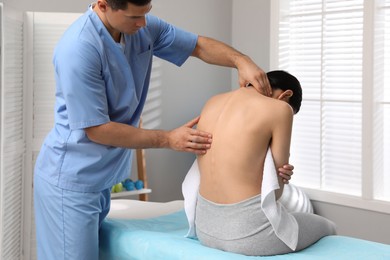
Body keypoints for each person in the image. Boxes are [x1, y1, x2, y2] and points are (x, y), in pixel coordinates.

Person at [33, 1, 296, 259]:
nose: (143, 23)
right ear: (103, 5)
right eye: (134, 17)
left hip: (101, 175)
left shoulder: (141, 27)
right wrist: (168, 139)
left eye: (146, 13)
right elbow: (98, 129)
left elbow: (198, 46)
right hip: (71, 176)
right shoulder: (78, 49)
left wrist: (241, 60)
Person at [182, 70, 336, 256]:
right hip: (250, 236)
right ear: (286, 95)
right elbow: (275, 193)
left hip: (205, 230)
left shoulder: (213, 101)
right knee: (327, 226)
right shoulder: (280, 109)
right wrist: (280, 174)